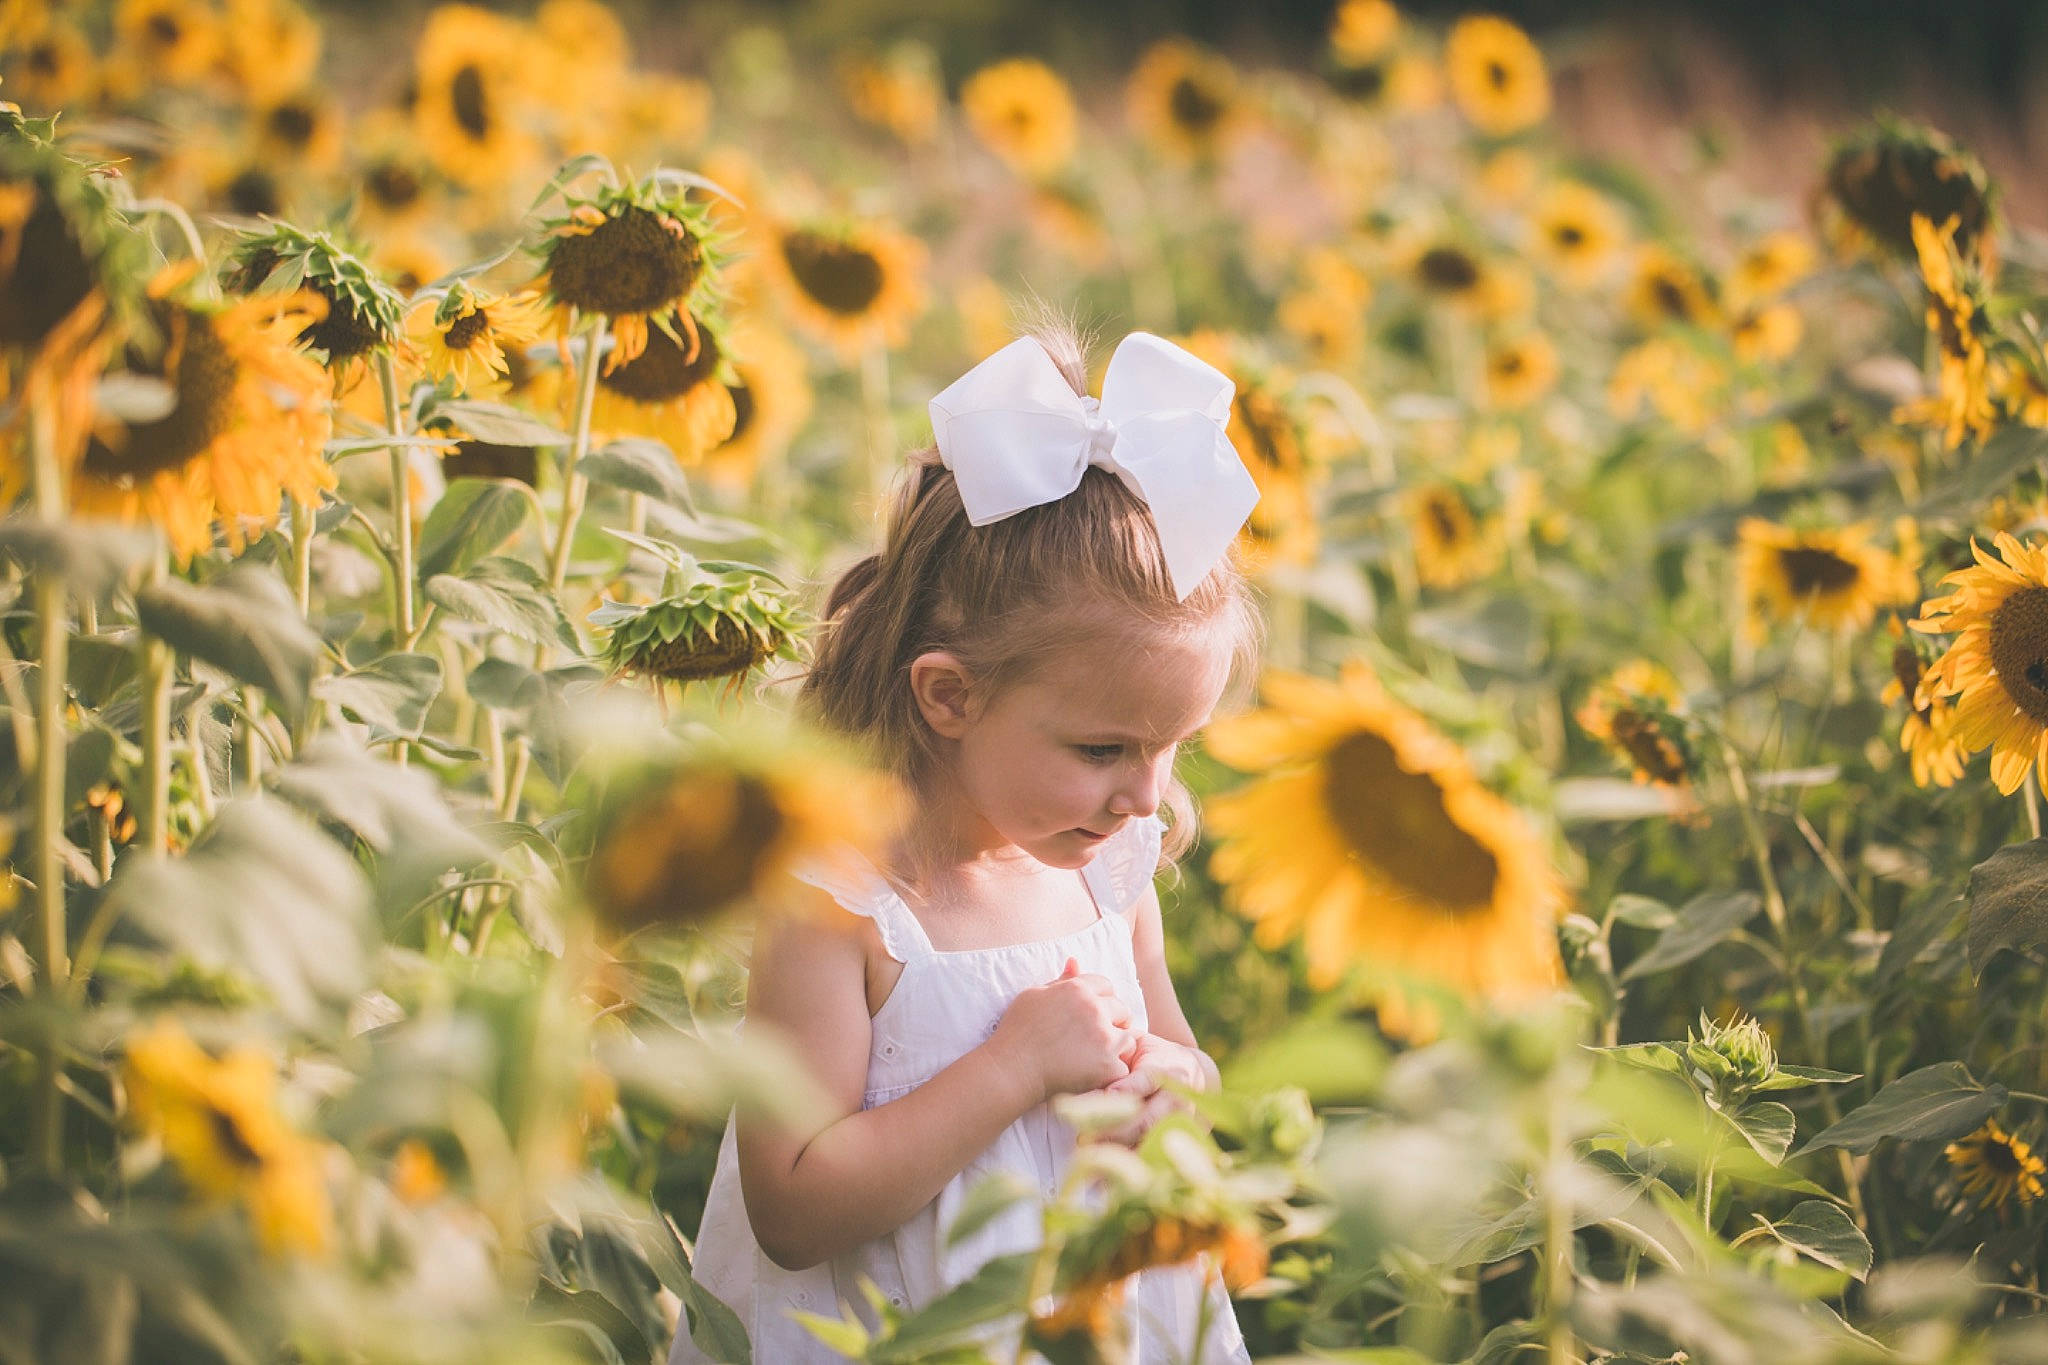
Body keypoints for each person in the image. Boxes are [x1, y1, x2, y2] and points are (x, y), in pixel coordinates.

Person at [670, 323, 1264, 1363]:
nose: (1142, 797)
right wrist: (1011, 1069)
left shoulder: (1112, 881)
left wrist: (1177, 1091)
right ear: (949, 695)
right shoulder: (842, 906)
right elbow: (794, 1209)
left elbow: (1183, 1065)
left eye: (1172, 748)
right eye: (1101, 748)